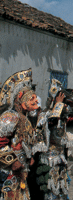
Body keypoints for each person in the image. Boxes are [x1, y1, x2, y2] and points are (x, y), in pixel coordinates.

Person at [29, 80, 73, 200]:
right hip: (47, 161)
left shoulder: (64, 117)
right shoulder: (46, 114)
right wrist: (58, 104)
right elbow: (52, 121)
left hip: (60, 160)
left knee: (61, 191)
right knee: (48, 192)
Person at [0, 69, 40, 200]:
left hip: (21, 173)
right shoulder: (10, 116)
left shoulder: (25, 118)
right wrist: (13, 161)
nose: (35, 102)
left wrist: (29, 158)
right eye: (31, 98)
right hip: (8, 172)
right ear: (21, 98)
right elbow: (1, 142)